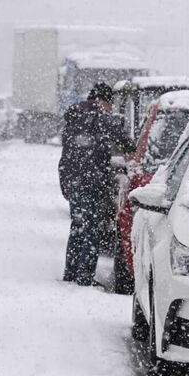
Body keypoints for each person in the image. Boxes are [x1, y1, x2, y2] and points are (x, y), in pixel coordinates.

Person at [58, 83, 135, 286]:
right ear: (103, 100)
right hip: (93, 181)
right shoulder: (103, 119)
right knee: (91, 230)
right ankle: (84, 277)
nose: (110, 107)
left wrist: (65, 184)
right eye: (109, 103)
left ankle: (71, 272)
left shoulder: (74, 117)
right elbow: (127, 144)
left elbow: (65, 156)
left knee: (77, 227)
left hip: (74, 181)